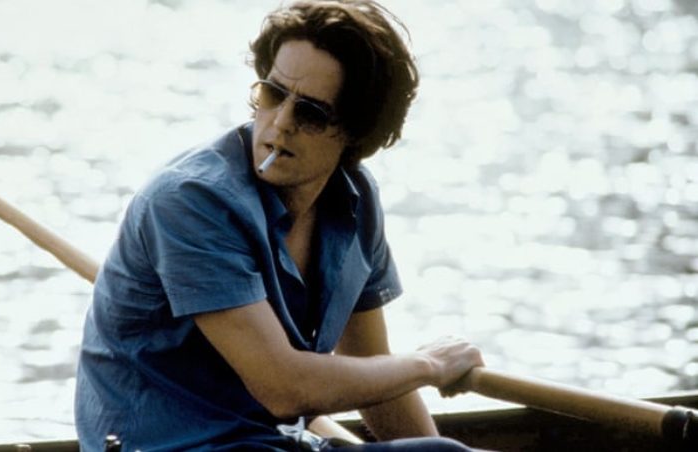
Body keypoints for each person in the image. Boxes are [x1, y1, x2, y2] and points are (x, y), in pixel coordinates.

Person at [75, 1, 485, 450]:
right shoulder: (189, 201)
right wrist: (429, 366)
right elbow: (285, 389)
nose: (280, 124)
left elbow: (374, 371)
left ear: (357, 132)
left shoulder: (357, 201)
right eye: (273, 95)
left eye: (310, 113)